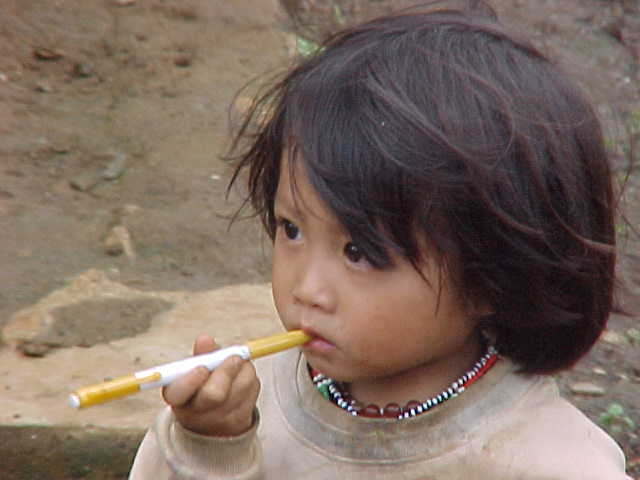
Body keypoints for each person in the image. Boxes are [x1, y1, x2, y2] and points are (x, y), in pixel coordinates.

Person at [129, 1, 633, 478]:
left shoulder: (551, 463)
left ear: (490, 275)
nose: (307, 288)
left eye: (358, 252)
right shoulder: (250, 407)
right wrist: (210, 446)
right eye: (292, 229)